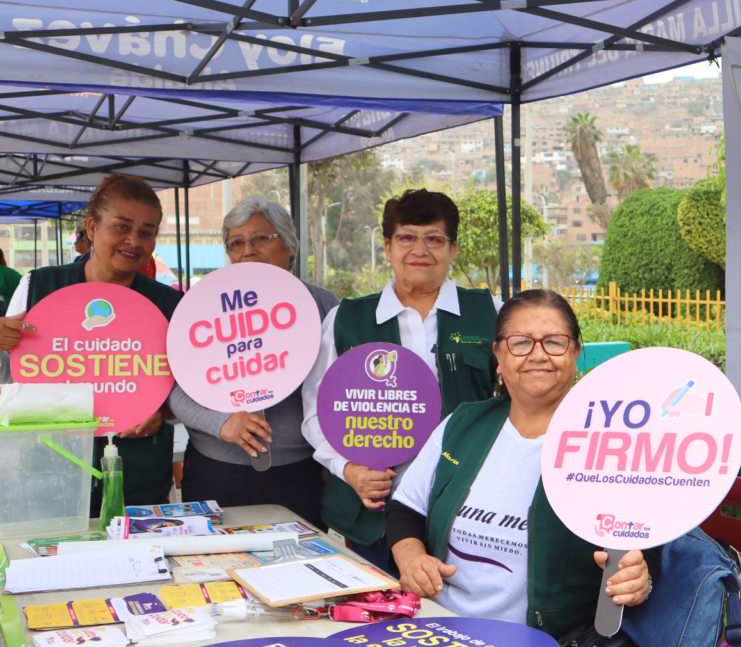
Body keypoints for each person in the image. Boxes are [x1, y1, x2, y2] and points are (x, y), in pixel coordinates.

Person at [387, 290, 653, 636]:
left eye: (554, 342)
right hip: (439, 629)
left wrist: (639, 580)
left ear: (575, 353)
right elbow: (405, 509)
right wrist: (412, 560)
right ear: (498, 355)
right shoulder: (462, 424)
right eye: (521, 343)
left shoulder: (614, 443)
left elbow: (645, 555)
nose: (538, 355)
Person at [302, 188, 501, 567]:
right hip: (371, 513)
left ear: (453, 250)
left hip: (463, 504)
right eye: (407, 237)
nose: (420, 250)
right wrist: (349, 470)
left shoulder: (490, 313)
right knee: (381, 603)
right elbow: (316, 413)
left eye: (434, 239)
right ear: (388, 247)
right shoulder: (346, 320)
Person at [0, 174, 182, 509]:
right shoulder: (40, 287)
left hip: (139, 479)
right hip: (50, 475)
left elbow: (186, 386)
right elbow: (8, 379)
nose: (133, 241)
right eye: (121, 226)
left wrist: (165, 412)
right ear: (93, 228)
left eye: (147, 232)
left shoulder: (170, 304)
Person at [170, 196, 338, 524]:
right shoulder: (200, 306)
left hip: (300, 472)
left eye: (261, 238)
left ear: (289, 245)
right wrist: (220, 423)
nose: (247, 250)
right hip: (214, 469)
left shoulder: (322, 305)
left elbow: (341, 387)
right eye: (236, 243)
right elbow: (175, 389)